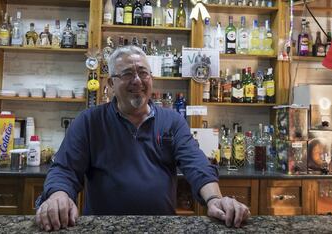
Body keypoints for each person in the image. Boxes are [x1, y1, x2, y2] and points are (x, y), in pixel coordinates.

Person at [35, 45, 250, 231]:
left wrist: (215, 199)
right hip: (101, 227)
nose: (137, 80)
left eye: (143, 73)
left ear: (151, 80)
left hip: (162, 228)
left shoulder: (172, 121)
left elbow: (197, 164)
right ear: (110, 84)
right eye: (127, 73)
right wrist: (58, 196)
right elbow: (64, 169)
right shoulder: (89, 121)